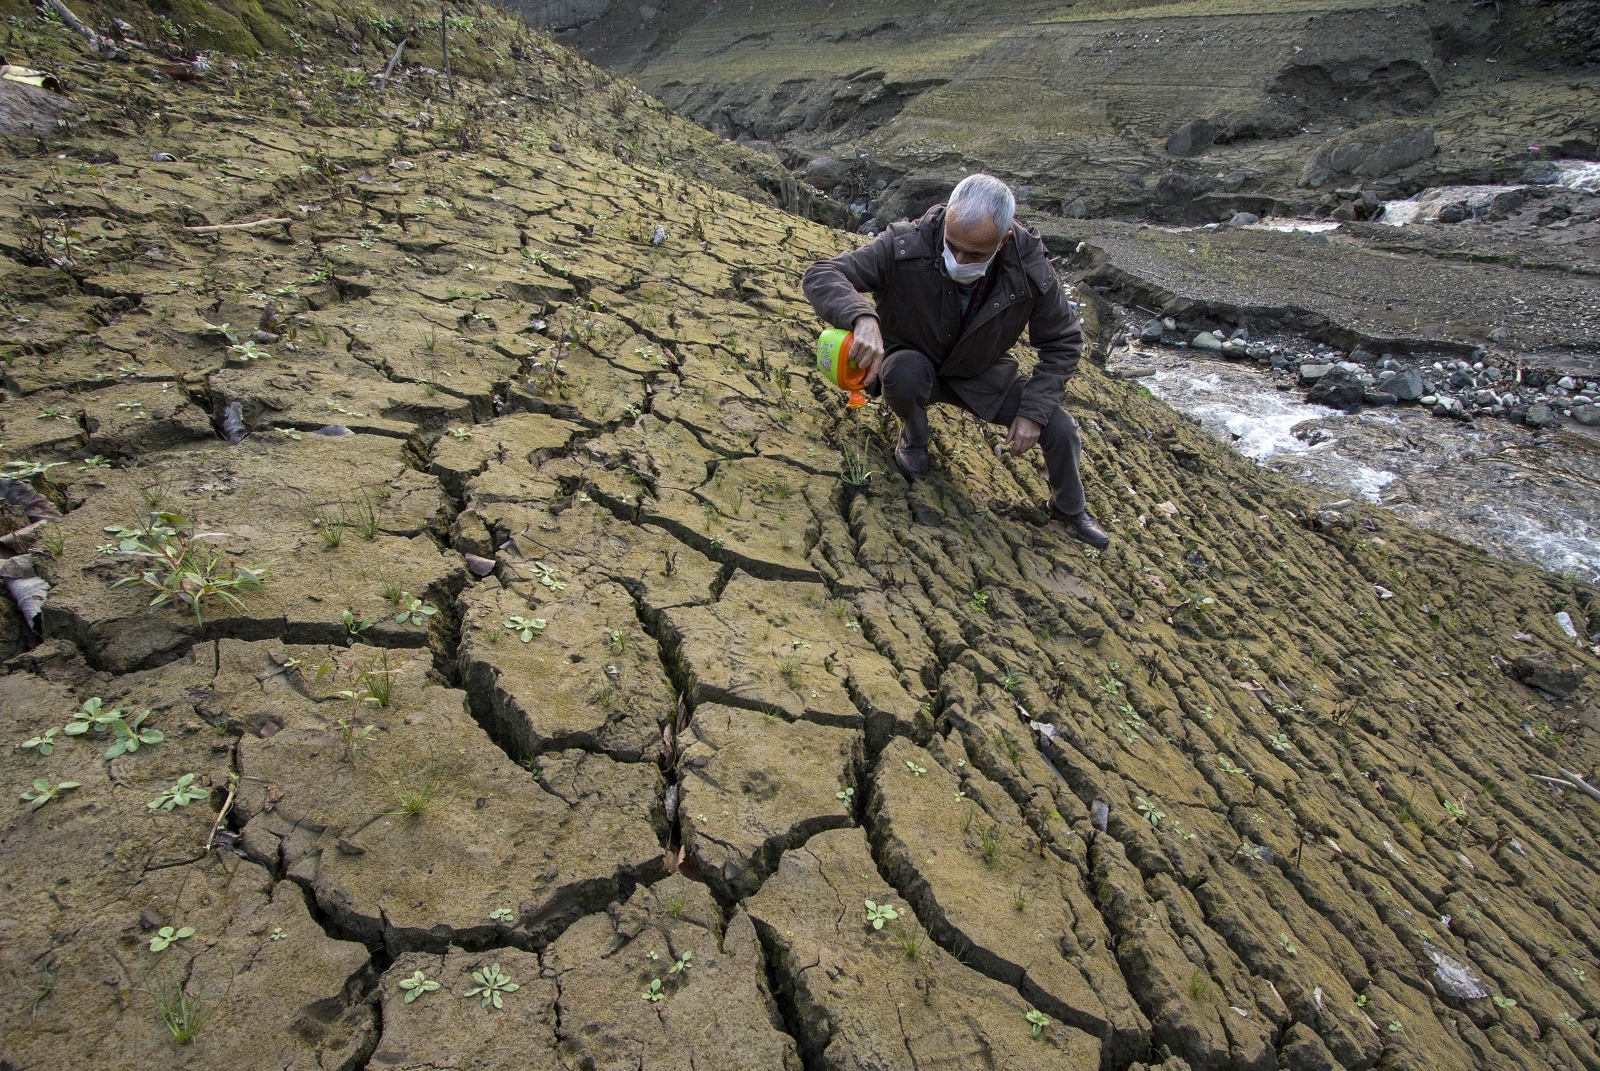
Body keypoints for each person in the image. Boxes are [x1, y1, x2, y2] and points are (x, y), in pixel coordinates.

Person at [802, 173, 1109, 548]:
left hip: (979, 372)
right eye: (952, 246)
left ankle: (1069, 509)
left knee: (1058, 427)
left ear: (1004, 240)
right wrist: (862, 318)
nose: (959, 260)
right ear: (946, 221)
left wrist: (1032, 413)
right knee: (904, 374)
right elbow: (822, 273)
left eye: (976, 254)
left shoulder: (1030, 270)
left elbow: (1062, 342)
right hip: (911, 358)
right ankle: (914, 437)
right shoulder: (905, 243)